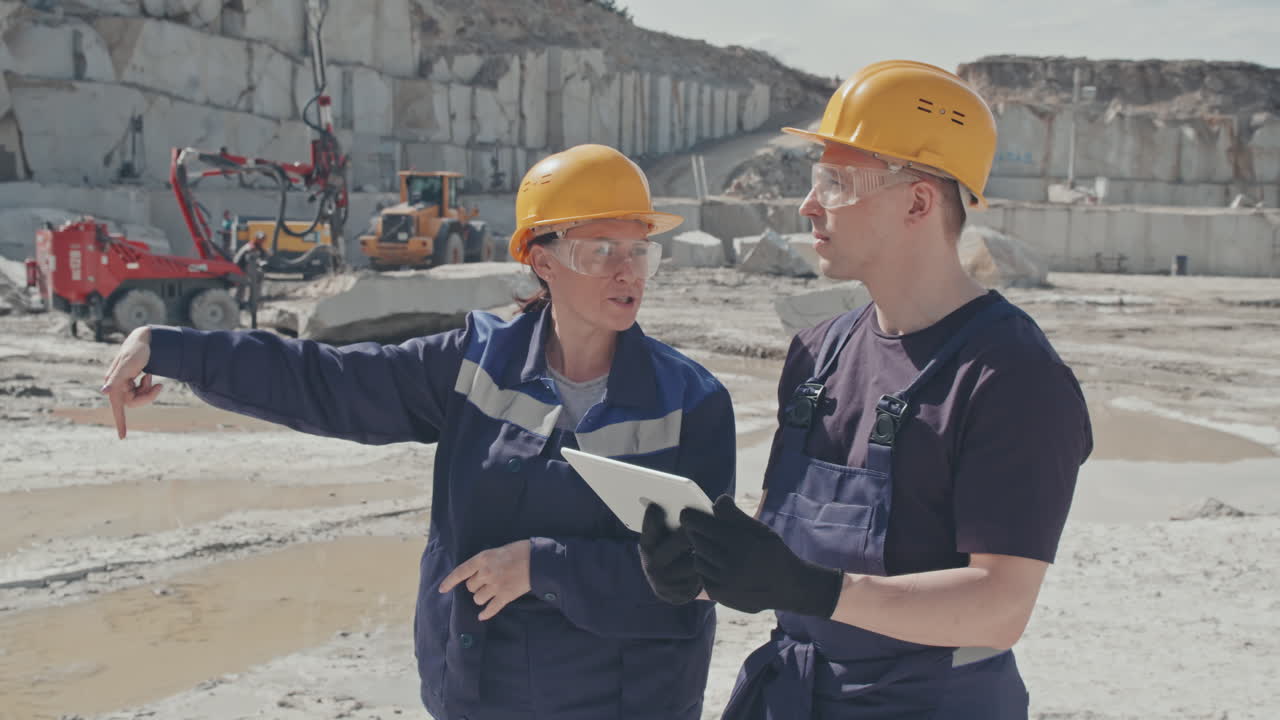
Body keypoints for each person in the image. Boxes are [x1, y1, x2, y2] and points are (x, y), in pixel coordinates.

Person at [100, 143, 736, 719]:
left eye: (639, 250)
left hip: (621, 700)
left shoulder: (690, 402)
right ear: (543, 261)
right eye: (601, 250)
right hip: (478, 694)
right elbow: (328, 382)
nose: (628, 272)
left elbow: (703, 579)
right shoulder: (474, 363)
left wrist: (545, 568)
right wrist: (172, 348)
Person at [640, 60, 1093, 718]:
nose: (808, 205)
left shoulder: (1011, 376)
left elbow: (1000, 608)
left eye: (837, 182)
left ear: (918, 202)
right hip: (794, 697)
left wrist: (816, 591)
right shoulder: (817, 353)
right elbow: (787, 555)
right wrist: (705, 570)